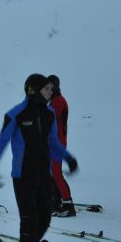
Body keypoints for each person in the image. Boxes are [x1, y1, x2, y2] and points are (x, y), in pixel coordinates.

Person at [0, 73, 78, 242]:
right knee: (29, 220)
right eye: (47, 89)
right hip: (22, 175)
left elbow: (53, 143)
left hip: (44, 175)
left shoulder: (49, 114)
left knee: (44, 220)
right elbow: (2, 141)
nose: (50, 92)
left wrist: (68, 158)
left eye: (51, 89)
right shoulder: (15, 114)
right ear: (34, 90)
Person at [47, 75, 75, 217]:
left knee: (56, 173)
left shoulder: (58, 101)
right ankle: (56, 201)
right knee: (53, 173)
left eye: (51, 86)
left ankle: (68, 205)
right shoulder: (54, 101)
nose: (49, 89)